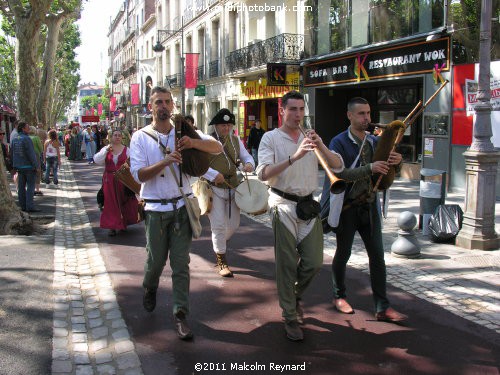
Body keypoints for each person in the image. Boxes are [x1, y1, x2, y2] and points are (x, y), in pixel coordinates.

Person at [129, 86, 222, 340]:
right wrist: (165, 161)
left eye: (167, 102)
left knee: (181, 264)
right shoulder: (140, 137)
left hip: (182, 207)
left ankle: (180, 315)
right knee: (155, 263)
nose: (164, 106)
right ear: (150, 107)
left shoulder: (183, 131)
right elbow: (138, 175)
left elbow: (217, 148)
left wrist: (194, 142)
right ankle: (150, 286)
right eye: (158, 102)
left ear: (172, 106)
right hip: (156, 210)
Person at [257, 90, 344, 341]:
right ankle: (290, 316)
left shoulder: (310, 136)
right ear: (282, 111)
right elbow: (263, 174)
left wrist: (321, 146)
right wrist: (295, 157)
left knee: (314, 262)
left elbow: (337, 165)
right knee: (286, 265)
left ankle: (292, 296)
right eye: (292, 109)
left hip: (308, 206)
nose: (298, 115)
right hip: (282, 204)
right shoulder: (270, 138)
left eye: (301, 110)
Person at [322, 97, 407, 324]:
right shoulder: (338, 142)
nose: (366, 118)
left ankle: (382, 306)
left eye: (368, 113)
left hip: (369, 207)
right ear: (349, 116)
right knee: (343, 253)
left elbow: (385, 174)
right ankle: (339, 296)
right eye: (361, 114)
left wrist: (397, 163)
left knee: (377, 256)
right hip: (348, 207)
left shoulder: (373, 141)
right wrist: (369, 168)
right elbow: (338, 174)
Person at [202, 108, 254, 277]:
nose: (226, 128)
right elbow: (199, 166)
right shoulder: (206, 141)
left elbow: (247, 157)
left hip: (233, 187)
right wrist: (213, 175)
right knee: (217, 224)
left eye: (228, 125)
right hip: (214, 188)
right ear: (215, 126)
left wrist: (249, 164)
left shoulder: (235, 140)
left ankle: (218, 243)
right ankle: (222, 260)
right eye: (222, 125)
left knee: (233, 224)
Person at [94, 130, 139, 236]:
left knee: (124, 201)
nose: (117, 137)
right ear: (111, 137)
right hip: (109, 181)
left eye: (119, 135)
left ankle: (123, 223)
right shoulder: (106, 149)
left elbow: (133, 162)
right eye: (115, 135)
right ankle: (112, 226)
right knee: (110, 203)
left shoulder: (127, 150)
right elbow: (97, 160)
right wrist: (105, 151)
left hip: (123, 180)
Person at [10, 121, 41, 212]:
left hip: (19, 167)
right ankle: (30, 206)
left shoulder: (15, 139)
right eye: (27, 127)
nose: (29, 129)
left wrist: (13, 166)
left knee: (21, 187)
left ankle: (22, 206)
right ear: (23, 128)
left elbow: (12, 153)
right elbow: (31, 154)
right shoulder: (27, 139)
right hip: (29, 167)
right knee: (30, 187)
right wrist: (36, 166)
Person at [29, 126, 44, 196]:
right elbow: (41, 149)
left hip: (28, 157)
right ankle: (37, 189)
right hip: (36, 155)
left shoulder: (26, 138)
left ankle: (30, 188)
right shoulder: (36, 138)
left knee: (29, 172)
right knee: (37, 171)